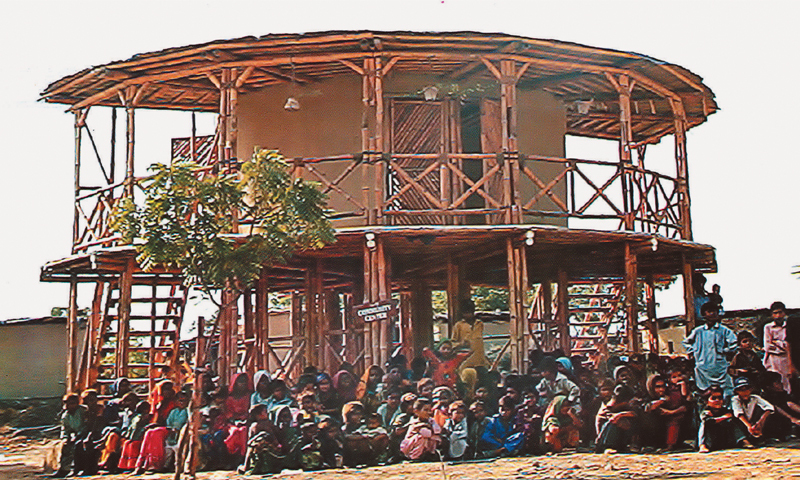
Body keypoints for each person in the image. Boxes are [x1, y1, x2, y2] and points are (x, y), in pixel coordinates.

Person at [683, 302, 737, 397]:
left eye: (715, 311)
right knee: (705, 393)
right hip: (703, 367)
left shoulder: (724, 330)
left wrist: (725, 350)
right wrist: (694, 351)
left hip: (720, 367)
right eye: (710, 311)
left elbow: (734, 343)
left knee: (726, 393)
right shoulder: (698, 331)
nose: (712, 314)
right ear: (704, 314)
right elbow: (686, 342)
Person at [698, 386, 748, 452]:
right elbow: (709, 421)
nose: (717, 401)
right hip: (710, 440)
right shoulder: (705, 411)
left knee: (732, 422)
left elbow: (731, 417)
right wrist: (723, 417)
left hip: (724, 439)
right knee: (704, 423)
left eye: (720, 398)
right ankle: (702, 445)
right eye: (714, 398)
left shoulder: (725, 410)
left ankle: (743, 441)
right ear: (707, 401)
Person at [52, 393, 87, 478]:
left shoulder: (82, 411)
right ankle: (63, 469)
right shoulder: (65, 416)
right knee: (65, 447)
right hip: (74, 435)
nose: (69, 406)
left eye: (72, 403)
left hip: (84, 433)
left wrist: (78, 435)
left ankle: (76, 468)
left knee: (77, 446)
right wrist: (65, 438)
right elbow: (65, 429)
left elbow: (86, 425)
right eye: (67, 403)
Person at [731, 376, 774, 444]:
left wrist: (761, 421)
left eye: (747, 389)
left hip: (754, 422)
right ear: (737, 391)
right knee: (733, 421)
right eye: (741, 390)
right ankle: (744, 440)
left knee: (764, 412)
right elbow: (739, 414)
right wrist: (749, 426)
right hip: (743, 423)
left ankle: (762, 436)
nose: (745, 392)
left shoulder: (755, 398)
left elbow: (770, 408)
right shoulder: (735, 399)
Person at [763, 301, 793, 394]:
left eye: (780, 312)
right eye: (775, 313)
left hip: (787, 361)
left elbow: (790, 344)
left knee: (788, 385)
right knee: (775, 385)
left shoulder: (789, 327)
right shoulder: (768, 327)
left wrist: (777, 343)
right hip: (773, 362)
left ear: (784, 313)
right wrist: (782, 346)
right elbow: (768, 346)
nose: (778, 315)